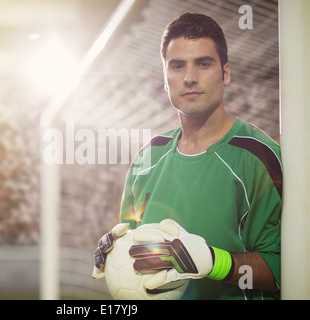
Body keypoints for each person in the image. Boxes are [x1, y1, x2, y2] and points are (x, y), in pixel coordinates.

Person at [93, 12, 282, 300]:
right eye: (177, 66)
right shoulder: (147, 157)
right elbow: (137, 250)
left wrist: (212, 262)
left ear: (226, 73)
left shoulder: (260, 157)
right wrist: (116, 251)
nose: (190, 78)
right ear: (165, 79)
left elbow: (289, 267)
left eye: (203, 64)